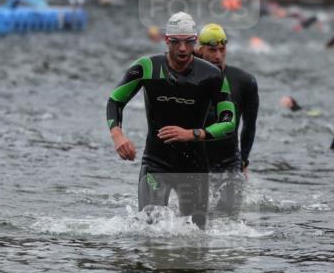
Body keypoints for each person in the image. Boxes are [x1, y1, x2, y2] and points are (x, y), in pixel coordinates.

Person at [107, 12, 235, 229]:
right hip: (156, 162)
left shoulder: (212, 75)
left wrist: (194, 134)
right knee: (150, 230)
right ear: (167, 41)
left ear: (195, 42)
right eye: (176, 42)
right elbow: (115, 100)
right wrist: (117, 135)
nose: (182, 49)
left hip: (194, 166)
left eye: (188, 42)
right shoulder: (147, 67)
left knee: (195, 237)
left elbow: (229, 121)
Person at [196, 23, 259, 215]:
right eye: (212, 50)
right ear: (200, 50)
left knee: (229, 219)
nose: (217, 56)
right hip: (197, 160)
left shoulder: (244, 81)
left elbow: (249, 124)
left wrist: (244, 161)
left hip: (229, 161)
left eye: (222, 50)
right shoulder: (188, 78)